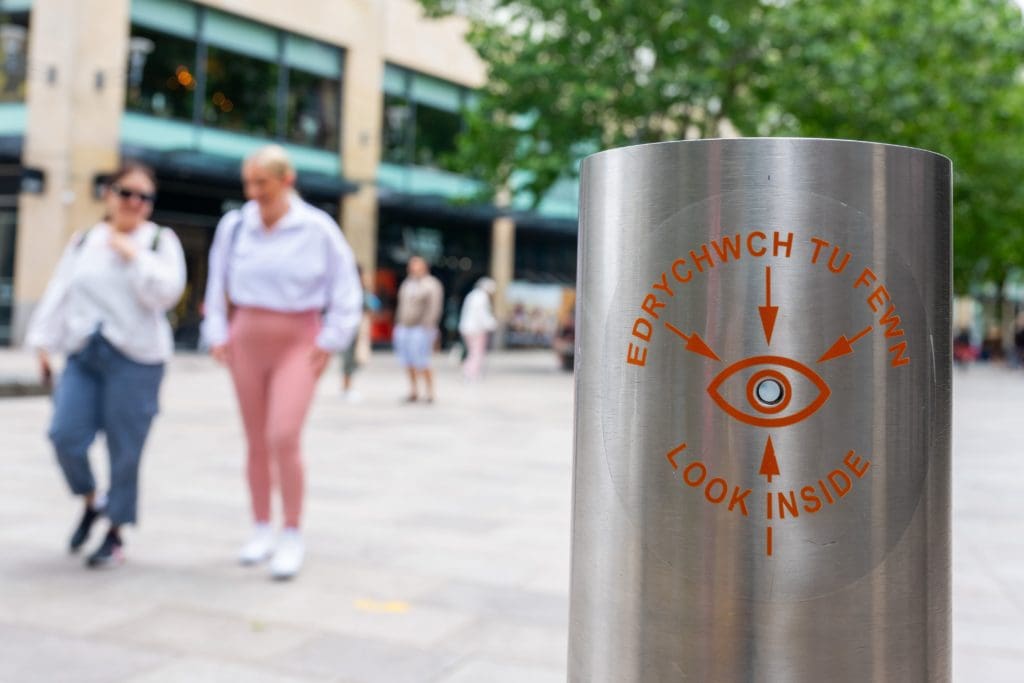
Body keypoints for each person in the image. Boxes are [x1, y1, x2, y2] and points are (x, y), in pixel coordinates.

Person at [201, 144, 361, 580]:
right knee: (254, 439)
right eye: (248, 184)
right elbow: (216, 284)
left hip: (297, 342)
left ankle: (292, 530)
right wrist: (216, 332)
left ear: (286, 180)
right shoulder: (235, 226)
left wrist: (331, 340)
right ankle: (260, 527)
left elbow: (346, 288)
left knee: (282, 435)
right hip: (246, 341)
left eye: (262, 183)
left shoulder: (317, 228)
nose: (254, 192)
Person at [25, 162, 186, 568]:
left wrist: (132, 257)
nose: (134, 202)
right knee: (65, 436)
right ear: (108, 194)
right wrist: (42, 343)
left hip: (136, 360)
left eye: (144, 197)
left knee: (125, 451)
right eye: (126, 192)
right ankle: (92, 501)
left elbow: (166, 295)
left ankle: (115, 531)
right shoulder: (84, 241)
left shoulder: (158, 242)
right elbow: (61, 290)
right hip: (84, 354)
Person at [392, 255, 444, 403]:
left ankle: (430, 391)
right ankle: (413, 390)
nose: (412, 268)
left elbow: (434, 308)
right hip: (404, 326)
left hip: (421, 329)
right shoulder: (407, 284)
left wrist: (428, 327)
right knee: (407, 361)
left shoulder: (431, 284)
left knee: (422, 361)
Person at [340, 265, 381, 402]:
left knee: (351, 359)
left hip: (351, 328)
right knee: (349, 359)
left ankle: (347, 387)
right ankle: (347, 388)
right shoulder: (354, 291)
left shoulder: (352, 289)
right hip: (351, 328)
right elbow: (370, 307)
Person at [458, 277, 497, 380]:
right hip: (476, 330)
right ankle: (471, 372)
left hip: (468, 328)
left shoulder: (472, 295)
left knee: (473, 351)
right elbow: (482, 315)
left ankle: (469, 371)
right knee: (476, 352)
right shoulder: (481, 297)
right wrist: (491, 324)